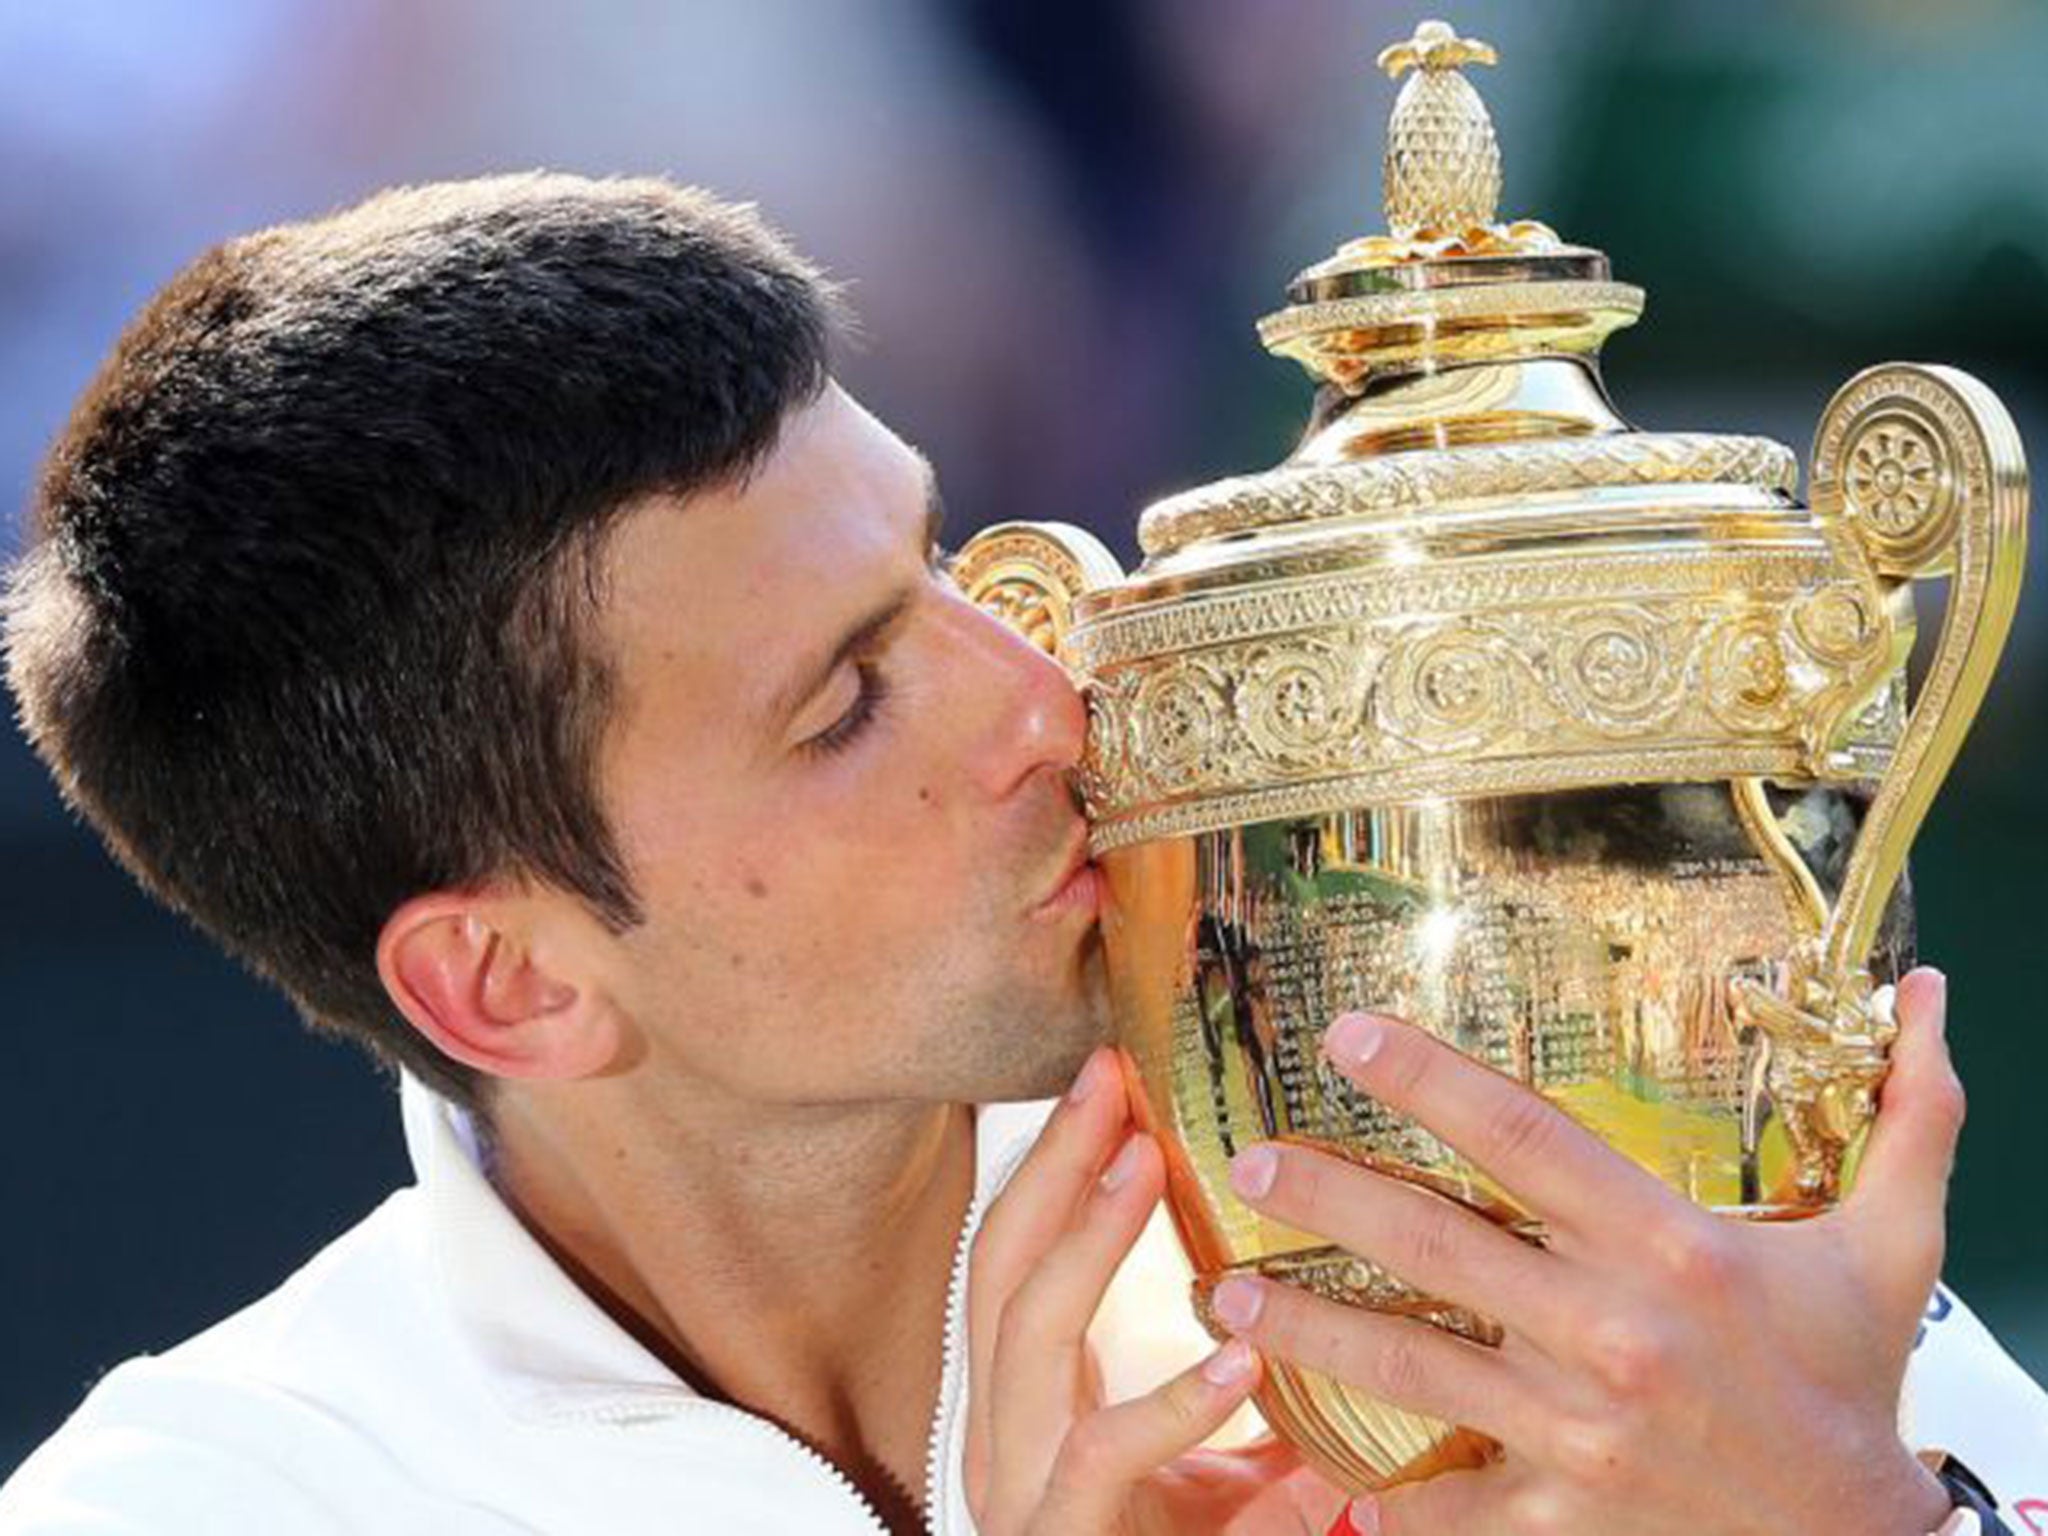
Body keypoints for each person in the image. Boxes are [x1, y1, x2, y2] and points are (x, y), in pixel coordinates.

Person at [0, 174, 2040, 1535]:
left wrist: (1857, 1512)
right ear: (511, 982)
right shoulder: (215, 1500)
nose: (1039, 704)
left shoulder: (1474, 1123)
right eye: (846, 702)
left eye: (935, 566)